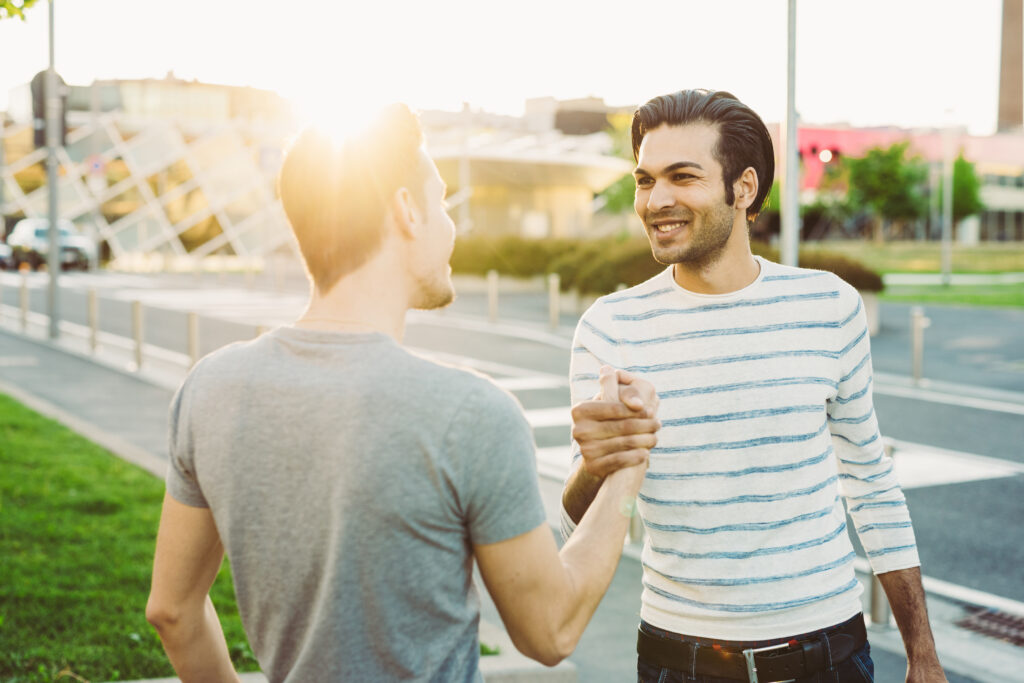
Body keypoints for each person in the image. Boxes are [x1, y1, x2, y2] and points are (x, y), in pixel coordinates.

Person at [145, 103, 659, 682]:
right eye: (440, 202)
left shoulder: (208, 389)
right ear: (407, 210)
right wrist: (627, 468)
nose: (450, 226)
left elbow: (172, 610)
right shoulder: (470, 414)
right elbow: (551, 629)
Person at [561, 89, 948, 682]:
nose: (655, 200)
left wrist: (923, 654)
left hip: (829, 654)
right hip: (679, 659)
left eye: (681, 177)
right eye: (645, 180)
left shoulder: (828, 306)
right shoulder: (609, 328)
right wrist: (598, 461)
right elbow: (578, 516)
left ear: (742, 189)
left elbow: (870, 482)